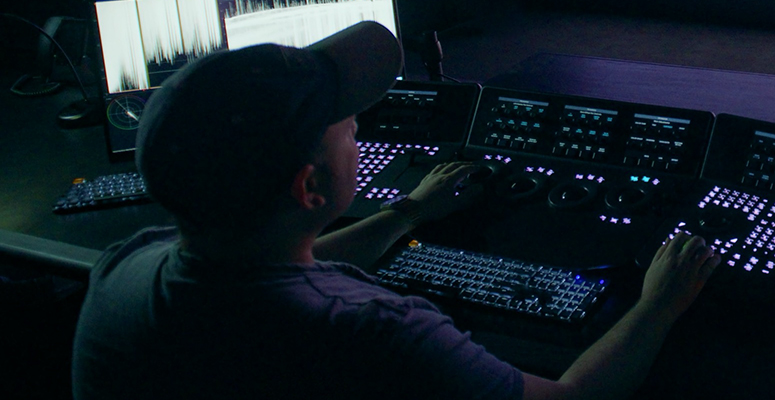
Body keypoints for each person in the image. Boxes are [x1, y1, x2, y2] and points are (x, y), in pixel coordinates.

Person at [71, 21, 720, 400]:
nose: (357, 124)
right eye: (344, 123)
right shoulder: (376, 330)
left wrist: (406, 213)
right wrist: (659, 303)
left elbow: (257, 274)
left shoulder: (125, 268)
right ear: (310, 189)